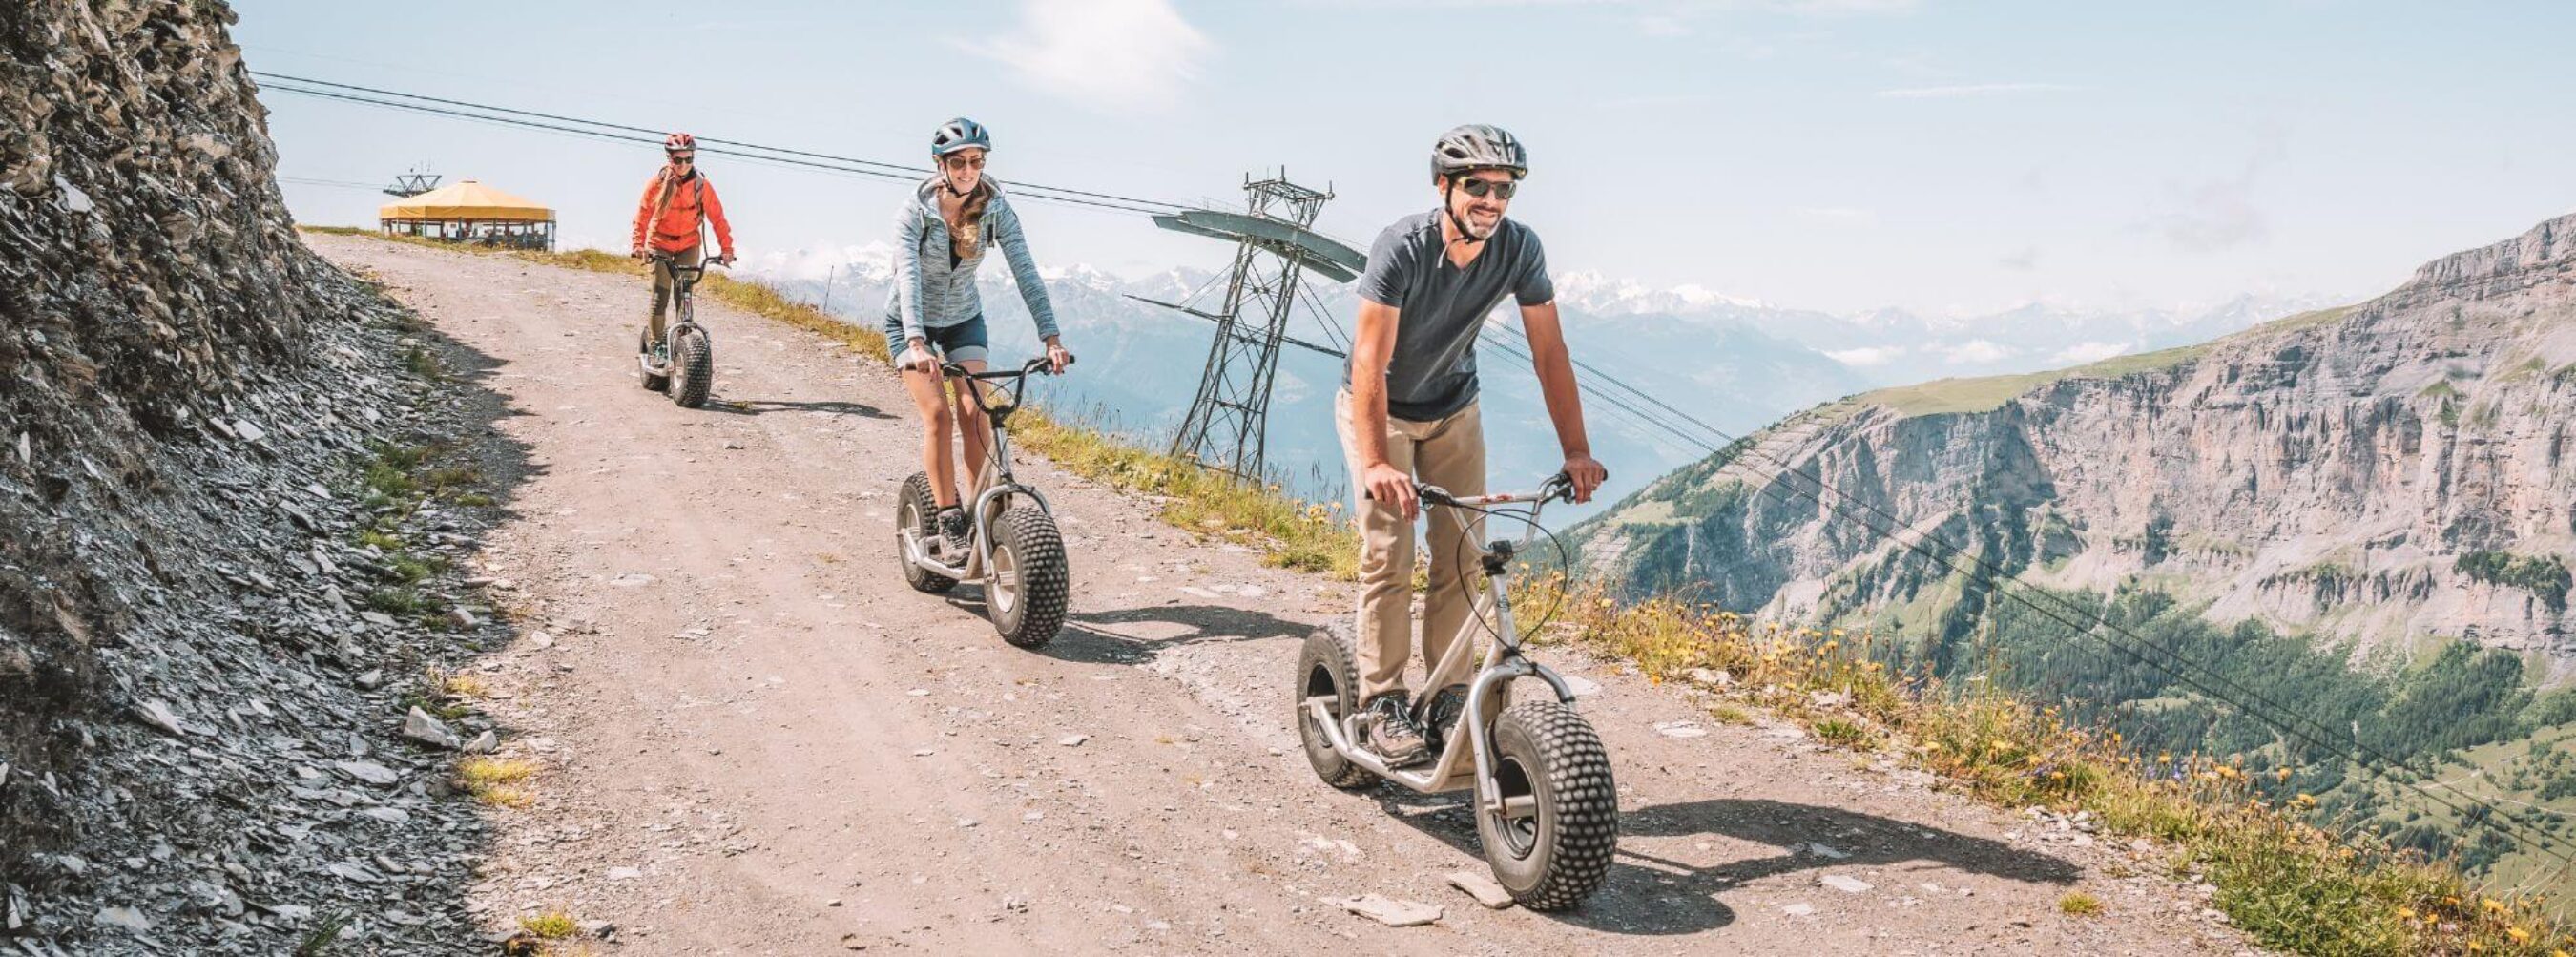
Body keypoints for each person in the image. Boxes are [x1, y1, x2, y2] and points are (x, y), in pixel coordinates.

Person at [1338, 124, 1608, 766]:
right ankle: (1380, 700)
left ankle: (1450, 694)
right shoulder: (1401, 248)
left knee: (1464, 553)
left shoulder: (1518, 248)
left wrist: (1576, 448)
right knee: (1389, 551)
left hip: (1454, 406)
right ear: (1445, 187)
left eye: (1504, 189)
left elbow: (1550, 350)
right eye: (1477, 187)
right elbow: (1370, 359)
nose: (1492, 200)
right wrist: (1377, 460)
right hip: (1379, 410)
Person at [883, 117, 1072, 553]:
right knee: (939, 416)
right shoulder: (913, 212)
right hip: (909, 325)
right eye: (959, 162)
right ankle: (949, 519)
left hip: (964, 319)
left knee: (976, 412)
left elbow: (1026, 271)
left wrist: (1051, 337)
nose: (969, 170)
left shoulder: (996, 209)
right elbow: (908, 279)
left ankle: (983, 514)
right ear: (940, 165)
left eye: (976, 161)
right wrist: (915, 342)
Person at [630, 132, 736, 364]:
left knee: (684, 294)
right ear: (669, 159)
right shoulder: (656, 184)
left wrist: (726, 248)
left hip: (689, 243)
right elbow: (642, 215)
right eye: (678, 160)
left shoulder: (701, 185)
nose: (683, 164)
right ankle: (657, 346)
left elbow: (718, 218)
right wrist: (639, 245)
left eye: (688, 159)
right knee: (661, 296)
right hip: (660, 244)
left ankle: (682, 344)